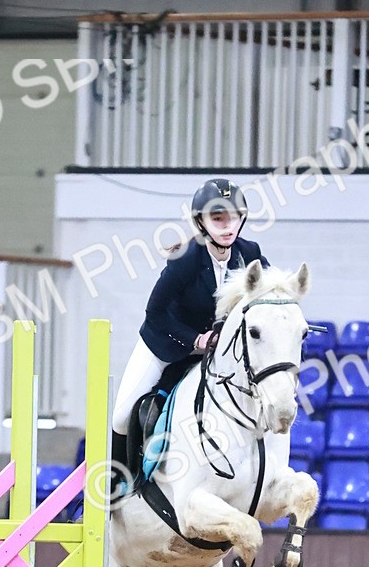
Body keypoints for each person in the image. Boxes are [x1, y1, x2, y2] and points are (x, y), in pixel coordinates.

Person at [111, 177, 269, 489]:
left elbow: (268, 296)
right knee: (122, 415)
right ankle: (118, 485)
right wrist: (195, 340)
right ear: (201, 221)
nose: (228, 226)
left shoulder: (249, 252)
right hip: (166, 344)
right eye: (218, 218)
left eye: (234, 217)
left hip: (218, 352)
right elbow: (154, 313)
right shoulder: (186, 258)